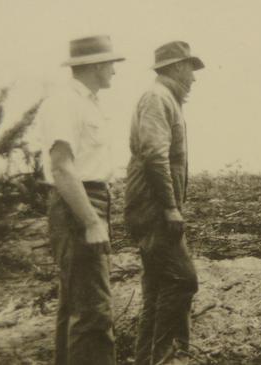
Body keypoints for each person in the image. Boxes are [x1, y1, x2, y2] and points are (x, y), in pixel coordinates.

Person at [37, 35, 124, 365]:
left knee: (76, 305)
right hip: (79, 203)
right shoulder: (64, 102)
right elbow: (62, 167)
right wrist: (90, 220)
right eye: (112, 64)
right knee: (94, 312)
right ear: (99, 64)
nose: (115, 72)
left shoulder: (87, 102)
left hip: (89, 199)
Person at [124, 41, 203, 365]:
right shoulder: (158, 98)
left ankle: (149, 358)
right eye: (189, 69)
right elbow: (155, 156)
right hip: (153, 208)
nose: (193, 78)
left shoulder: (165, 99)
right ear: (173, 68)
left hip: (152, 206)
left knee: (157, 288)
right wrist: (170, 207)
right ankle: (163, 357)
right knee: (183, 280)